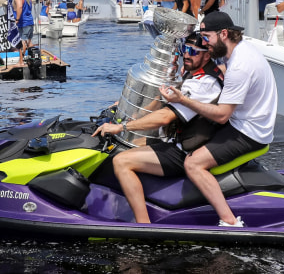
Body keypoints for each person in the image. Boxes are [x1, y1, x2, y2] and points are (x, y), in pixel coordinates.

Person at [160, 12, 277, 227]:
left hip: (249, 131)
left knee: (193, 163)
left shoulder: (240, 65)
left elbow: (222, 116)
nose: (205, 43)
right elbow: (224, 69)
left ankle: (229, 221)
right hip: (250, 121)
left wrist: (183, 100)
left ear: (223, 34)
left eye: (207, 37)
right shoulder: (239, 50)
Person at [93, 33, 224, 223]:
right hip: (175, 140)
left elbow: (165, 117)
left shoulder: (205, 83)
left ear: (207, 55)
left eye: (193, 51)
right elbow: (159, 102)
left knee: (121, 161)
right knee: (122, 146)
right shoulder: (192, 73)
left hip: (184, 151)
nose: (186, 55)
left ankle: (143, 225)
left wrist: (122, 127)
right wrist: (125, 110)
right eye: (184, 49)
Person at [10, 0, 34, 65]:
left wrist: (17, 19)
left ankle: (21, 61)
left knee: (22, 42)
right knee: (29, 42)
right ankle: (32, 59)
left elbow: (19, 7)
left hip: (23, 23)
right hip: (30, 21)